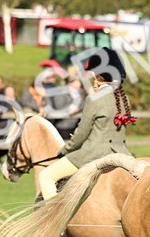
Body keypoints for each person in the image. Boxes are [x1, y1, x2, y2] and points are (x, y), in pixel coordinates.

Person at [37, 70, 135, 200]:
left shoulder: (93, 99)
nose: (93, 82)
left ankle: (51, 214)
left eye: (94, 78)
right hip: (122, 152)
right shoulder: (124, 98)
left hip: (93, 153)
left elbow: (82, 133)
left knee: (46, 176)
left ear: (99, 78)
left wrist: (65, 150)